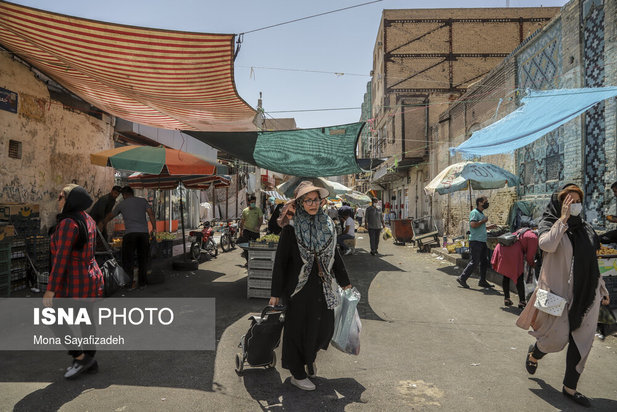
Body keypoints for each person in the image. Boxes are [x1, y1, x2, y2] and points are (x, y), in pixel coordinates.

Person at [517, 184, 611, 407]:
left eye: (577, 201)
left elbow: (592, 264)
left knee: (582, 342)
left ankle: (570, 387)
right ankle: (535, 353)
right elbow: (547, 245)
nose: (574, 205)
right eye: (569, 201)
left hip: (587, 295)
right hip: (554, 295)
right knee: (555, 339)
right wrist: (563, 220)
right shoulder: (549, 224)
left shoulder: (586, 229)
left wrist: (602, 288)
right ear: (560, 203)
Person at [269, 181, 352, 391]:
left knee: (323, 327)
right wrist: (275, 293)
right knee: (297, 330)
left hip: (322, 286)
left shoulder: (328, 225)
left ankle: (309, 357)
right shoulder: (291, 229)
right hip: (297, 289)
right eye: (308, 200)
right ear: (300, 203)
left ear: (321, 202)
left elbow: (335, 256)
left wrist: (345, 282)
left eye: (316, 199)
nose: (313, 204)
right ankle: (297, 372)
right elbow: (280, 263)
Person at [43, 184, 104, 379]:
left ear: (69, 200)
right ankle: (88, 359)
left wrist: (50, 289)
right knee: (86, 320)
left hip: (75, 281)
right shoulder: (88, 219)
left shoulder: (69, 223)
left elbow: (61, 258)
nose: (58, 200)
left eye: (61, 196)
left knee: (52, 317)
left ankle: (81, 357)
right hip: (89, 277)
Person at [99, 186, 156, 289]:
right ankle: (142, 284)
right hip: (143, 234)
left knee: (128, 260)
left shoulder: (122, 204)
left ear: (124, 195)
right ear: (132, 193)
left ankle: (129, 285)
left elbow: (111, 215)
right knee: (143, 259)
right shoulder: (142, 201)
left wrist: (103, 223)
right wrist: (154, 228)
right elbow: (151, 214)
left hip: (130, 234)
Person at [491, 227, 538, 308]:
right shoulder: (534, 238)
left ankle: (506, 298)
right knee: (519, 276)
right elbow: (530, 257)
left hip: (502, 247)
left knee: (506, 275)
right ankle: (522, 301)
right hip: (513, 252)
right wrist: (533, 265)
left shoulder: (525, 230)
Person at [456, 196, 497, 289]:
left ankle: (482, 280)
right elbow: (473, 225)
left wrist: (489, 226)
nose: (487, 203)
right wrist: (483, 221)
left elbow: (480, 227)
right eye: (485, 201)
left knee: (484, 261)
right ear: (480, 203)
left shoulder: (481, 213)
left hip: (481, 241)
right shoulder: (474, 213)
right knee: (475, 261)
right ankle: (462, 278)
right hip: (475, 241)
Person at [237, 194, 263, 264]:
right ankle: (248, 261)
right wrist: (241, 231)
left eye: (254, 202)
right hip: (247, 231)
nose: (253, 204)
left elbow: (261, 219)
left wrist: (258, 226)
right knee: (246, 247)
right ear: (248, 202)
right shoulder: (245, 211)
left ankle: (255, 261)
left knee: (256, 247)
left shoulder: (258, 210)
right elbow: (242, 222)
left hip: (255, 232)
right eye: (252, 202)